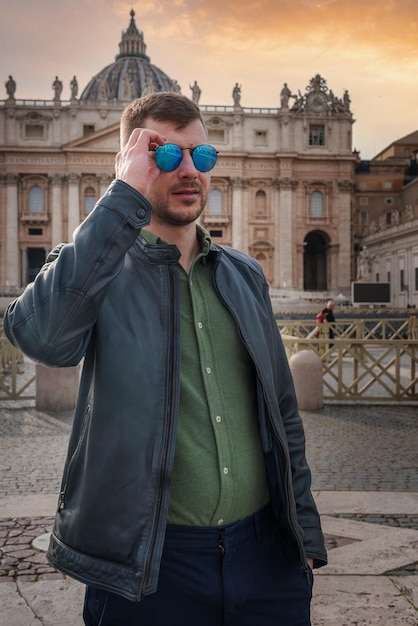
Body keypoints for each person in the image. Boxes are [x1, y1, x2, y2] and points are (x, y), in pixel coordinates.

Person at [3, 92, 326, 626]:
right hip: (150, 569)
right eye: (166, 156)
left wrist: (304, 536)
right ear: (129, 162)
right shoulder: (92, 272)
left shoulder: (246, 275)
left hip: (266, 559)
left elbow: (283, 415)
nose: (189, 171)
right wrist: (121, 197)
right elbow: (42, 337)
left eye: (200, 156)